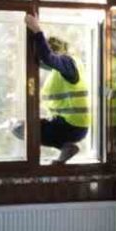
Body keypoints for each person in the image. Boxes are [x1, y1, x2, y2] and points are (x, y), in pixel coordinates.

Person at [20, 14, 88, 165]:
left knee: (20, 128)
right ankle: (66, 148)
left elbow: (47, 57)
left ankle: (65, 147)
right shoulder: (63, 69)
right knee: (21, 127)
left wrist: (36, 29)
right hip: (69, 125)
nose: (40, 63)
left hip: (71, 126)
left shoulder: (67, 63)